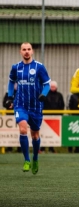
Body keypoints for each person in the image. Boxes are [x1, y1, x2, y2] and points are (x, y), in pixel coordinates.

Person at [4, 42, 51, 174]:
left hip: (36, 106)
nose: (26, 51)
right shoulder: (16, 67)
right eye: (24, 49)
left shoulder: (39, 67)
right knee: (23, 129)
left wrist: (43, 94)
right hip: (21, 105)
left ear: (32, 51)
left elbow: (47, 84)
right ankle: (26, 160)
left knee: (35, 135)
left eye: (28, 49)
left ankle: (35, 158)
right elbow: (11, 82)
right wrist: (10, 97)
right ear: (20, 52)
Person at [41, 80, 65, 153]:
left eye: (54, 87)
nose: (52, 88)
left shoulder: (59, 95)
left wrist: (60, 114)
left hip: (56, 117)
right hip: (46, 117)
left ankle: (52, 148)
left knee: (53, 134)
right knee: (44, 133)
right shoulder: (45, 95)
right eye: (51, 86)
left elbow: (62, 105)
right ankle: (42, 148)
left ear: (56, 87)